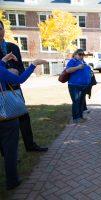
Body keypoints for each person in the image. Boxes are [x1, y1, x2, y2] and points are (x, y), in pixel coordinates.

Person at [0, 52, 47, 190]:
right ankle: (12, 181)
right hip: (5, 117)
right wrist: (33, 65)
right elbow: (19, 80)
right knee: (10, 149)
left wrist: (3, 60)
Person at [0, 20, 48, 152]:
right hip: (2, 90)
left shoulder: (12, 47)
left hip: (15, 88)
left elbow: (20, 67)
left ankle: (30, 145)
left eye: (0, 28)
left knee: (24, 116)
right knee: (4, 119)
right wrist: (8, 72)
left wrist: (16, 73)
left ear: (4, 29)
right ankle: (7, 153)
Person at [66, 49, 92, 123]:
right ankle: (75, 118)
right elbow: (68, 70)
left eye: (82, 55)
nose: (81, 56)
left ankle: (80, 117)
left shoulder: (83, 62)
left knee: (81, 102)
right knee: (76, 101)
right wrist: (78, 67)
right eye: (80, 54)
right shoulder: (73, 61)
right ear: (75, 54)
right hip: (74, 85)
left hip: (83, 85)